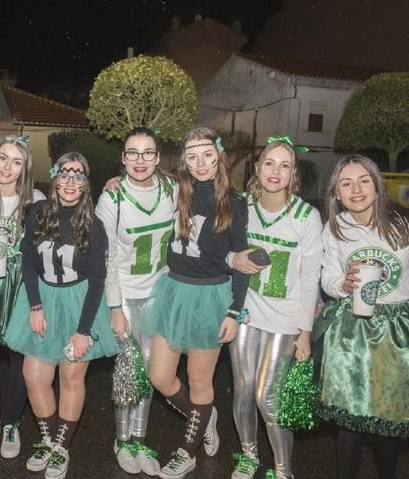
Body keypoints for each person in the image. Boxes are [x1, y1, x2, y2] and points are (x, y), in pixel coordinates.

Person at [4, 152, 119, 479]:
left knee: (71, 377)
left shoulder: (93, 224)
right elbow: (27, 260)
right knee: (34, 376)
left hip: (79, 303)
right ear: (54, 178)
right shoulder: (38, 212)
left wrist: (84, 330)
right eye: (64, 174)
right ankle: (49, 439)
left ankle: (62, 446)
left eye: (78, 175)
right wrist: (35, 306)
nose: (70, 181)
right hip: (42, 298)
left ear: (86, 183)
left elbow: (97, 279)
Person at [147, 127, 249, 479]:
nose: (200, 163)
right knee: (159, 376)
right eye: (191, 156)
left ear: (218, 155)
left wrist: (235, 311)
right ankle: (203, 415)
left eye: (206, 155)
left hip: (210, 294)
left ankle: (187, 452)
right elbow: (141, 182)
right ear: (184, 162)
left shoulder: (235, 202)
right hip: (174, 290)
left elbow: (243, 262)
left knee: (199, 379)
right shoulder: (176, 192)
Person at [227, 138, 323, 479]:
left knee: (268, 398)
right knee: (242, 388)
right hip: (246, 313)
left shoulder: (307, 217)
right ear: (257, 167)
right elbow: (217, 245)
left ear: (293, 173)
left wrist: (305, 333)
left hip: (284, 320)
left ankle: (284, 470)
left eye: (284, 165)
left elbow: (311, 279)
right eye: (269, 163)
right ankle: (249, 456)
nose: (275, 171)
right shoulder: (242, 207)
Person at [314, 154, 409, 479]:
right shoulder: (335, 228)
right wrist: (343, 283)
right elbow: (326, 277)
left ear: (377, 186)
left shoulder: (403, 224)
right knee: (350, 424)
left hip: (396, 331)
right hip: (352, 330)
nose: (356, 190)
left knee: (388, 419)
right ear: (336, 193)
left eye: (363, 180)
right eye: (346, 183)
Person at [95, 127, 176, 476]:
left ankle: (140, 437)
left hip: (159, 291)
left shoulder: (172, 189)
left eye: (147, 153)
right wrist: (114, 307)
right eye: (132, 152)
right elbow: (107, 258)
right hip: (125, 293)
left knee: (150, 368)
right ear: (123, 157)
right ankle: (122, 439)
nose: (139, 160)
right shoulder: (111, 198)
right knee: (129, 369)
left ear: (158, 158)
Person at [0, 136, 45, 458]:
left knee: (18, 362)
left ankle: (12, 422)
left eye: (17, 161)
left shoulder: (37, 200)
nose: (8, 167)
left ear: (25, 167)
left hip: (20, 289)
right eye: (3, 158)